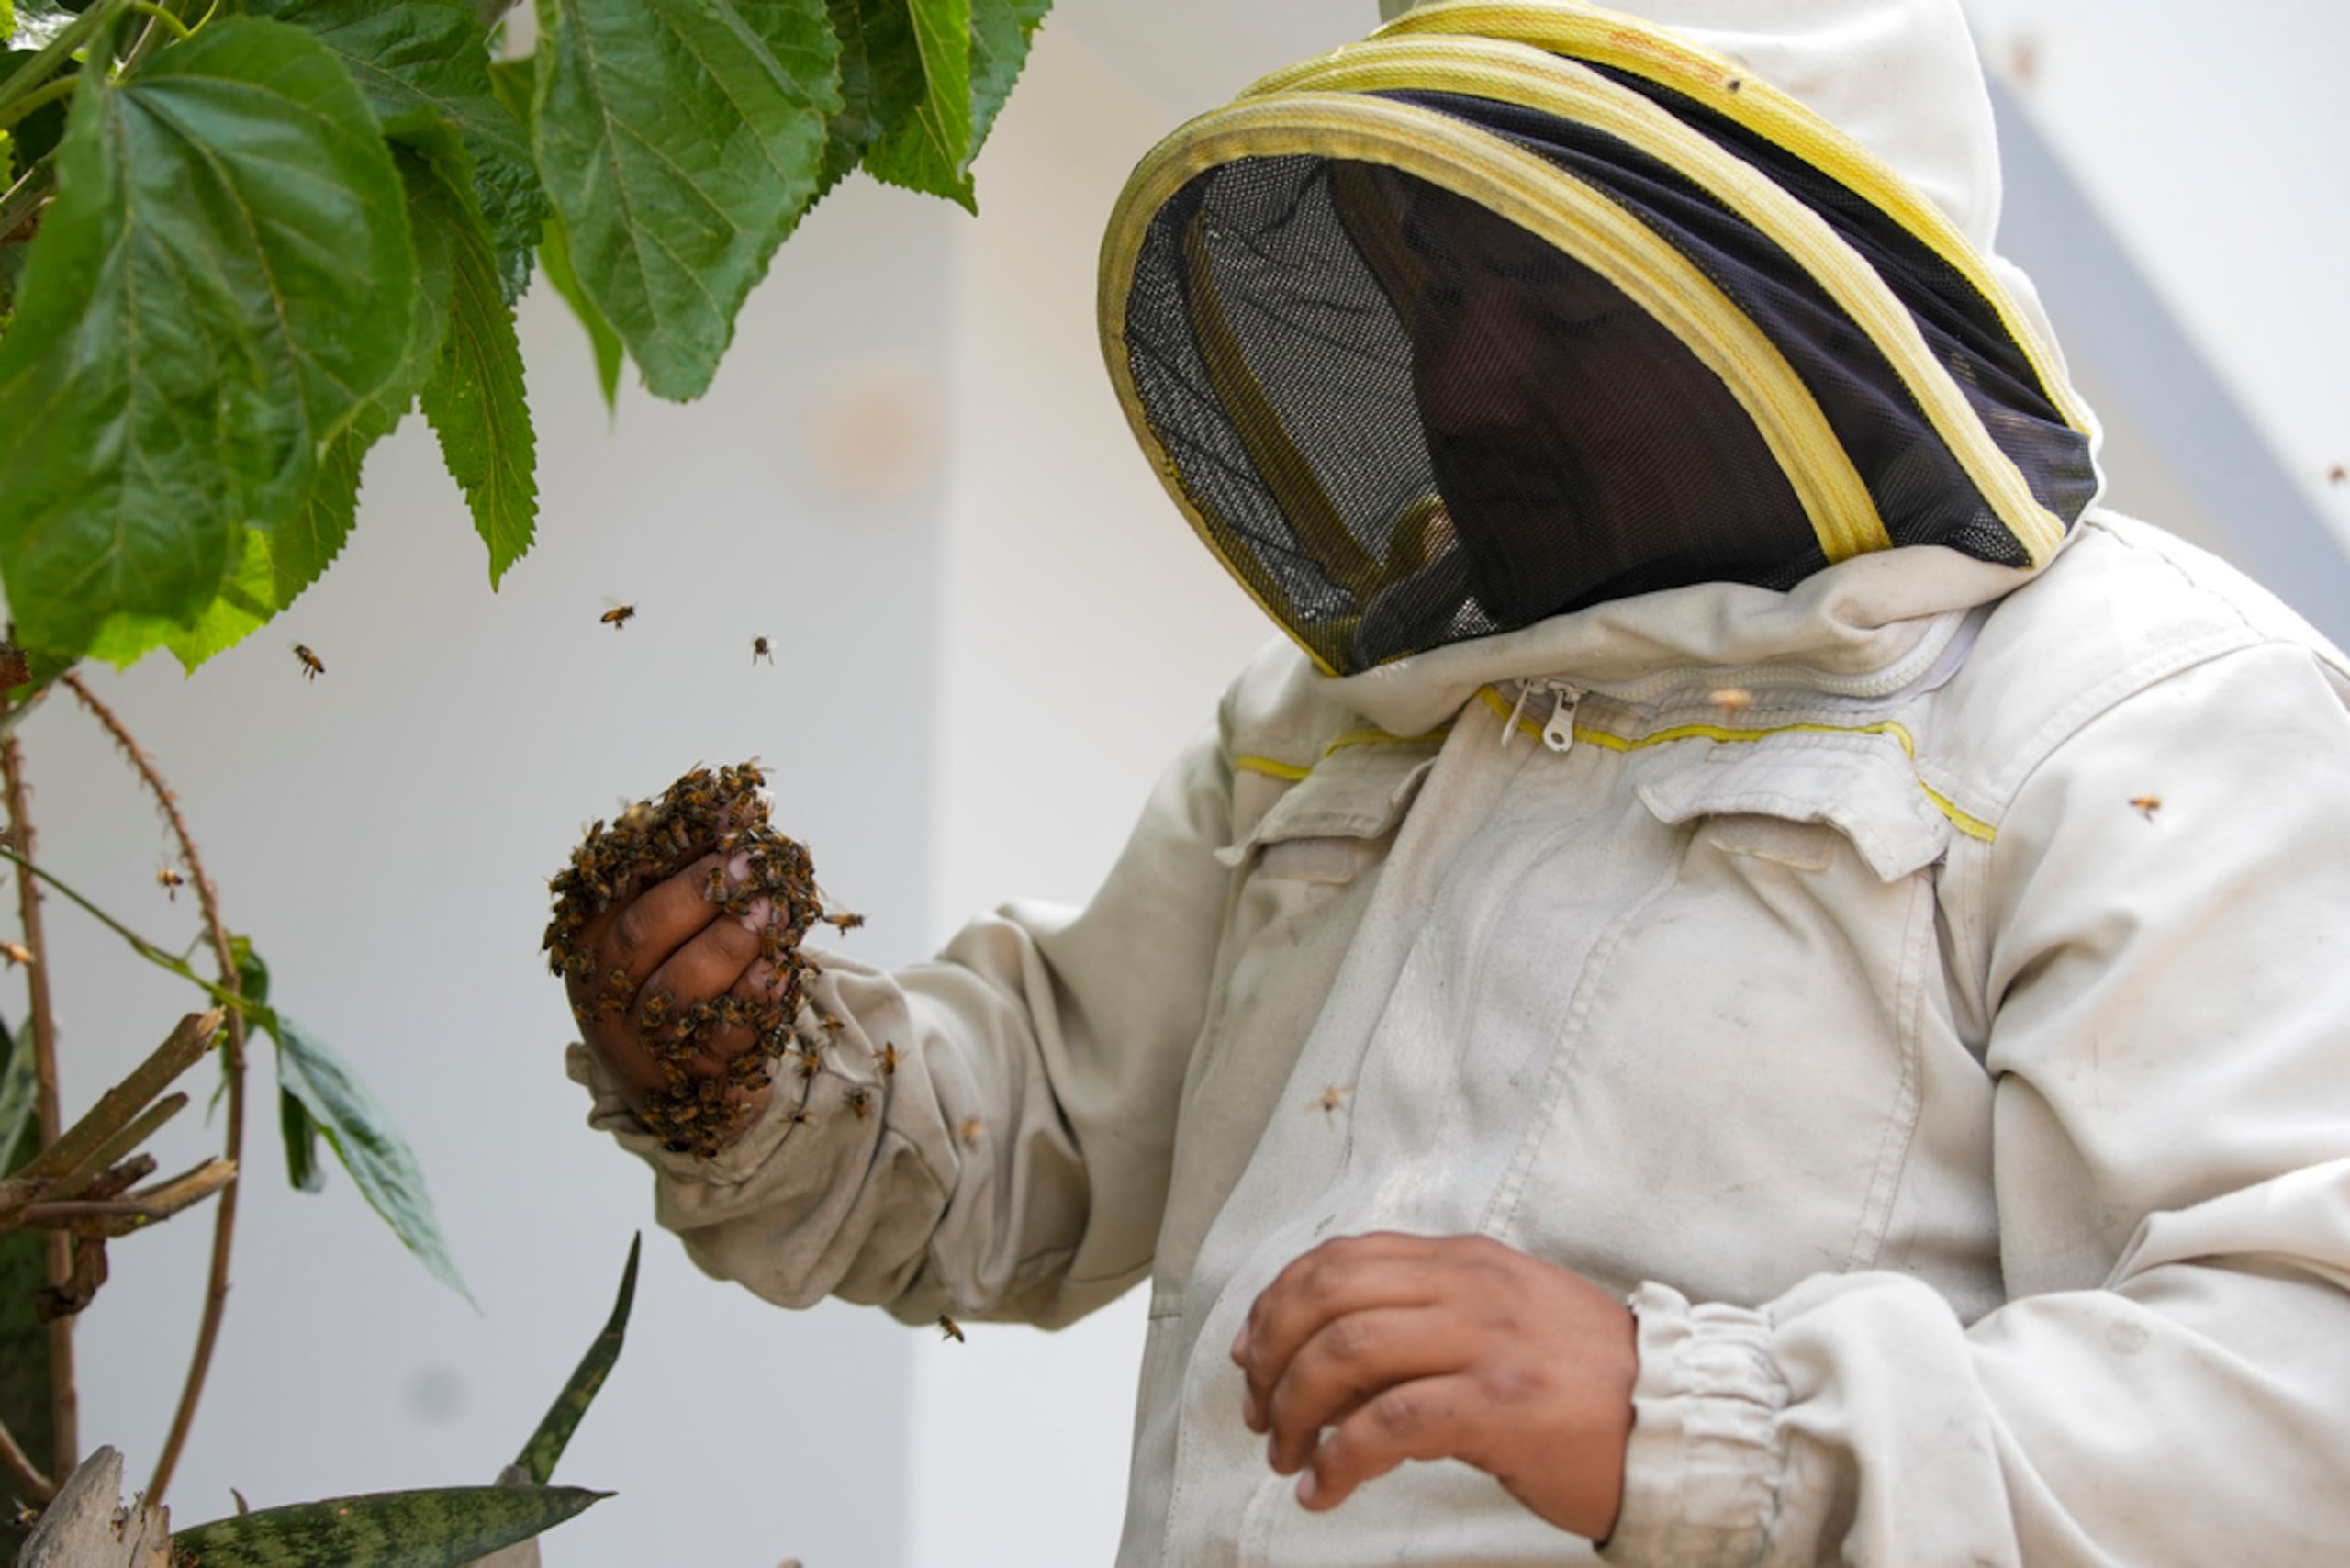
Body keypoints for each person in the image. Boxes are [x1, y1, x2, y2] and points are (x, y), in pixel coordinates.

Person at [562, 1, 2350, 1561]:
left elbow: (2297, 1406)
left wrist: (1696, 1420)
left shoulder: (2144, 720)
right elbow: (1026, 1140)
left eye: (1563, 312)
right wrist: (748, 1068)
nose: (1468, 374)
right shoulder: (1359, 707)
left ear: (1797, 306)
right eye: (1437, 283)